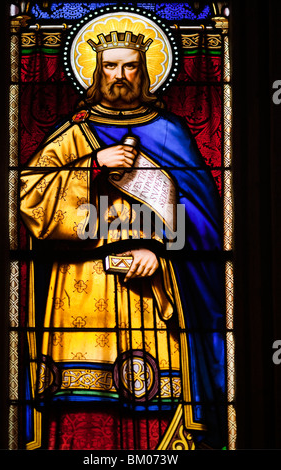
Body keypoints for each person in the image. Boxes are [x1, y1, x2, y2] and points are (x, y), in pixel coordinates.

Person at [20, 29, 226, 450]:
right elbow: (31, 200)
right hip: (81, 285)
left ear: (145, 72)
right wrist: (94, 164)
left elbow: (205, 218)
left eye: (130, 66)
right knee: (82, 407)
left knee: (156, 396)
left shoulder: (171, 133)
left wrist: (161, 251)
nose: (120, 75)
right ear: (95, 72)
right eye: (110, 66)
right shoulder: (72, 135)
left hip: (153, 286)